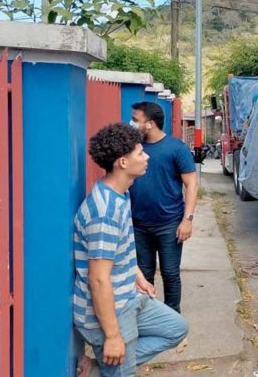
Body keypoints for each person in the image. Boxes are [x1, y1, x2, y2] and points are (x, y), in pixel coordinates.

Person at [74, 123, 188, 377]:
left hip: (128, 295)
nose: (146, 156)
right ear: (123, 163)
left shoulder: (121, 193)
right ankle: (111, 365)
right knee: (123, 374)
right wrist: (113, 336)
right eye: (140, 152)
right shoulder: (104, 213)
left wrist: (138, 276)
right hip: (110, 309)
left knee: (176, 327)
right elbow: (99, 279)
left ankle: (102, 368)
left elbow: (121, 247)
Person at [128, 101, 197, 314]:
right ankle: (148, 315)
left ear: (149, 124)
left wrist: (188, 219)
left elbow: (191, 183)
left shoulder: (176, 149)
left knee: (170, 273)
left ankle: (173, 316)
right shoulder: (133, 148)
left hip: (169, 223)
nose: (131, 123)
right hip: (138, 224)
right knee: (144, 274)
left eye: (135, 120)